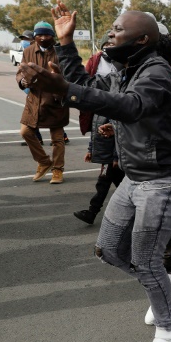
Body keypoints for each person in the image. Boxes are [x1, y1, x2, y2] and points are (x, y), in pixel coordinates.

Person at [21, 2, 171, 342]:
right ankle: (164, 283)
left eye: (118, 28)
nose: (111, 33)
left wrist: (64, 87)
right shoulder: (124, 69)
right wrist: (66, 46)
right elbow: (85, 86)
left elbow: (131, 107)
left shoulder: (158, 72)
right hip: (136, 176)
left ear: (143, 38)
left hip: (164, 179)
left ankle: (169, 330)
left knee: (147, 259)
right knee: (109, 250)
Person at [74, 40, 125, 225]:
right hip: (107, 153)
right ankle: (92, 212)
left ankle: (92, 212)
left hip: (113, 155)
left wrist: (115, 156)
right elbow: (97, 129)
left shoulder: (115, 105)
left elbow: (117, 129)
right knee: (119, 185)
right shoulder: (99, 108)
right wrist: (91, 148)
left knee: (104, 182)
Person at [16, 21, 69, 184]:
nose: (43, 38)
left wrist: (60, 87)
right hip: (34, 99)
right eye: (39, 35)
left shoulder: (61, 52)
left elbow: (69, 75)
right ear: (35, 36)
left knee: (57, 138)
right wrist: (22, 81)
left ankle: (57, 170)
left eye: (47, 35)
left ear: (52, 36)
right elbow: (20, 71)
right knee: (25, 132)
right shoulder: (28, 50)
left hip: (55, 100)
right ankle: (44, 161)